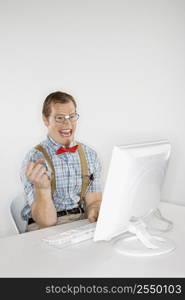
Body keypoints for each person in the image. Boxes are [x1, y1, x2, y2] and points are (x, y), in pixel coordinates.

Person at [20, 91, 102, 231]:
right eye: (59, 118)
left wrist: (94, 209)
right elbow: (46, 222)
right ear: (46, 120)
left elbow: (94, 201)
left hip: (80, 221)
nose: (67, 123)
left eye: (72, 116)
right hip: (43, 227)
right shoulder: (35, 159)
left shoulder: (90, 155)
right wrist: (42, 189)